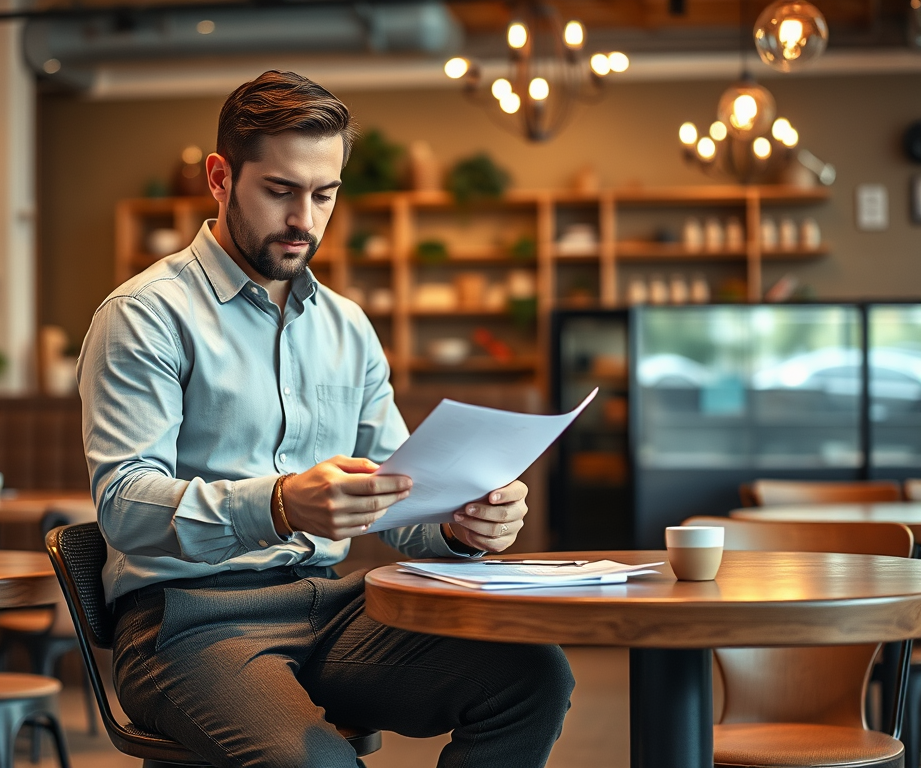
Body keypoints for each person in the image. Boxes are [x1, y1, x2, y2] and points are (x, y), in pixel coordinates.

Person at [77, 70, 574, 768]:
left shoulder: (348, 328)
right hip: (186, 622)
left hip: (333, 610)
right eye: (280, 191)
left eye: (324, 193)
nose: (304, 220)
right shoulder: (145, 315)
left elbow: (404, 501)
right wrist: (279, 505)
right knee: (320, 764)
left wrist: (460, 525)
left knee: (533, 676)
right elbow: (124, 506)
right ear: (220, 178)